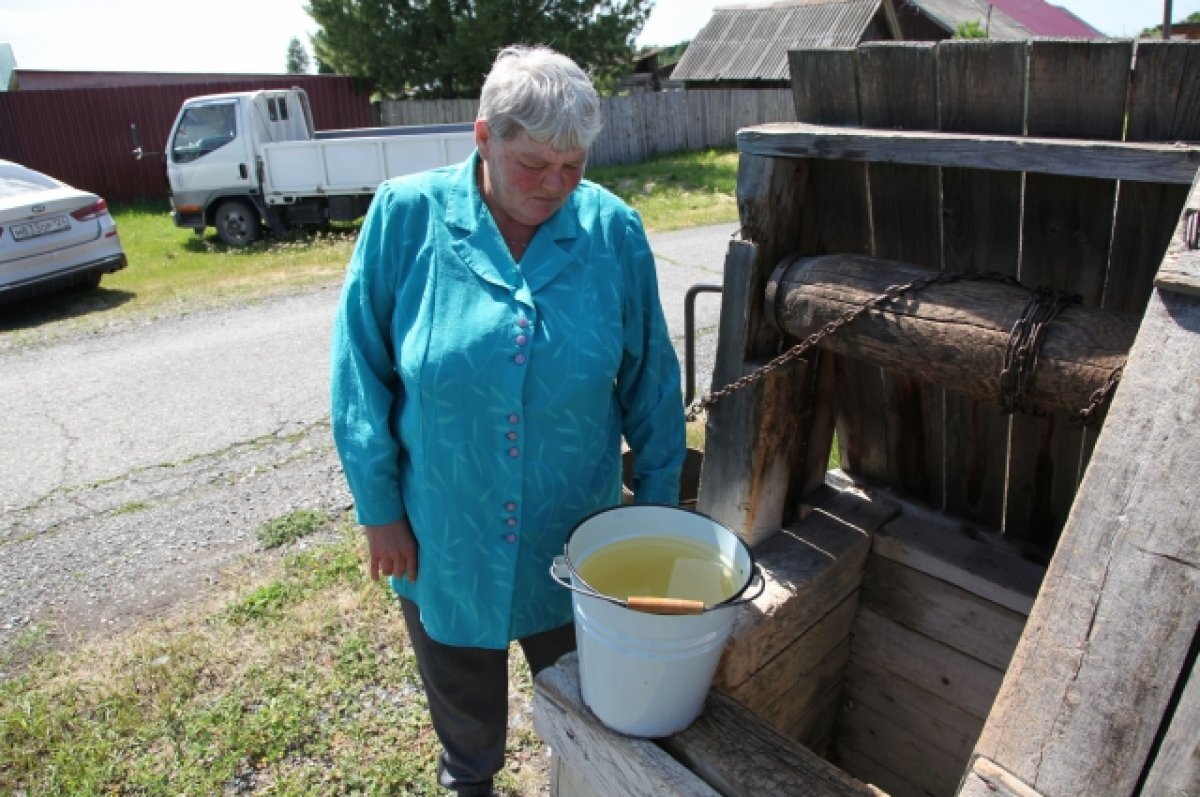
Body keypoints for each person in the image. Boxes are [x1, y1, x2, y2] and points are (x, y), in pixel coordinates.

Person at [329, 45, 685, 795]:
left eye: (573, 165)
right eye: (532, 164)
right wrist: (380, 510)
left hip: (578, 538)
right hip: (445, 533)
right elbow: (360, 369)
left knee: (600, 711)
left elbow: (654, 380)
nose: (554, 185)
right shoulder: (406, 216)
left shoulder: (612, 231)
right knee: (465, 719)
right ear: (482, 136)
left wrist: (653, 516)